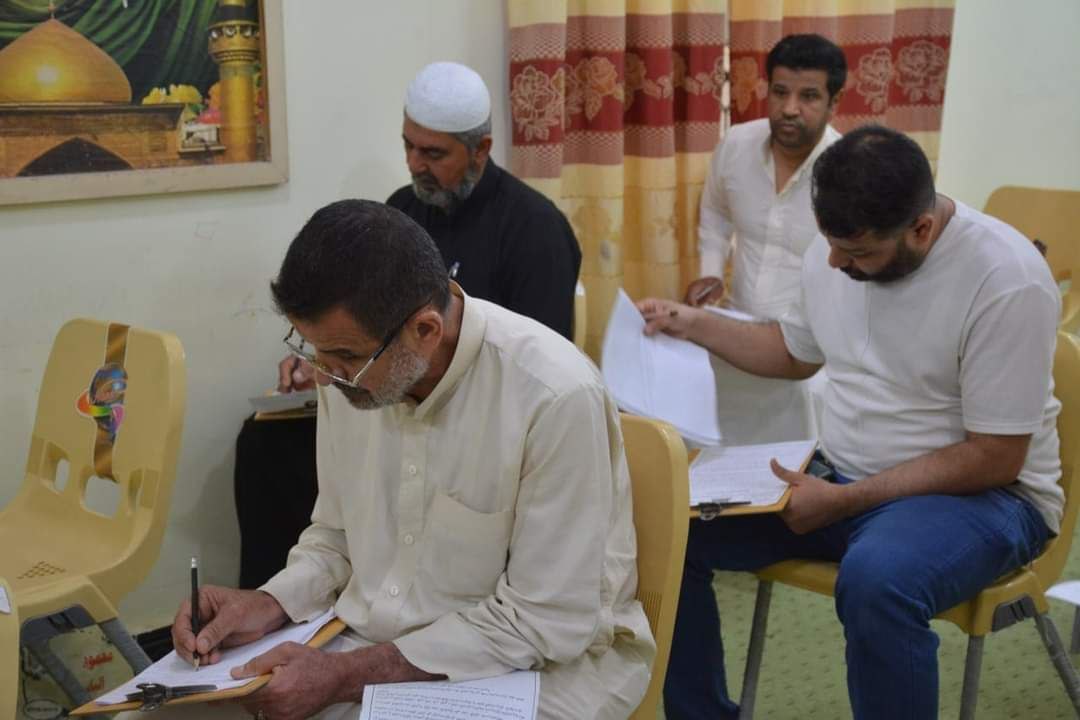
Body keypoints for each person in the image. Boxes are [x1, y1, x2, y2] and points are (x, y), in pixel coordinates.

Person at [126, 200, 652, 720]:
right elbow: (336, 537)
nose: (324, 376)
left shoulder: (553, 397)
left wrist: (343, 676)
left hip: (542, 667)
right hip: (375, 645)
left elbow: (544, 621)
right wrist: (269, 603)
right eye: (312, 350)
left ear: (426, 330)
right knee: (163, 715)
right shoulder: (353, 378)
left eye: (345, 357)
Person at [642, 125, 1062, 719]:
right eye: (831, 243)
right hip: (841, 479)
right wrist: (691, 324)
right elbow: (794, 353)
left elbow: (996, 455)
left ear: (921, 229)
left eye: (859, 253)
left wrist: (846, 501)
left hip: (989, 498)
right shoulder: (836, 249)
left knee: (877, 582)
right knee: (665, 528)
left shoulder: (1005, 278)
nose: (835, 262)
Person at [237, 61, 582, 591]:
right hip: (395, 399)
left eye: (433, 154)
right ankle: (277, 603)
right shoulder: (401, 211)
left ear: (481, 149)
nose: (415, 164)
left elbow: (531, 365)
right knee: (263, 445)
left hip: (476, 422)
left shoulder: (535, 230)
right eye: (408, 146)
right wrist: (329, 355)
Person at [681, 34, 847, 444]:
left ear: (834, 103)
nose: (790, 108)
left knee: (797, 459)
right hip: (736, 335)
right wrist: (711, 272)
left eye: (809, 96)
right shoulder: (736, 145)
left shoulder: (849, 172)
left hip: (814, 362)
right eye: (780, 92)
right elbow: (715, 213)